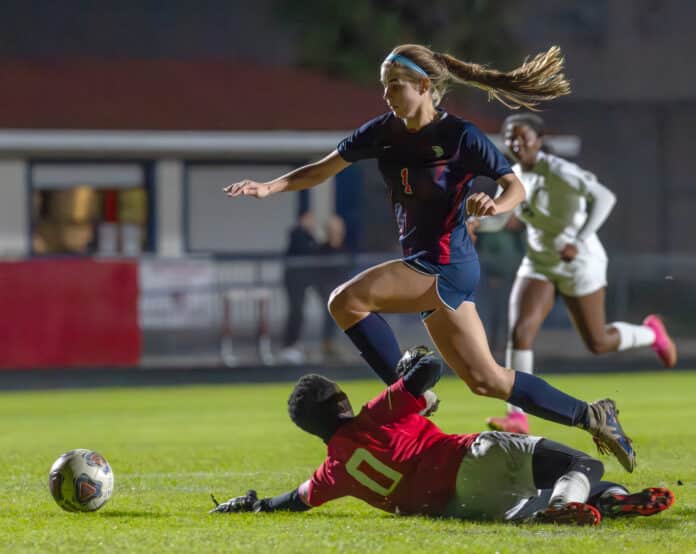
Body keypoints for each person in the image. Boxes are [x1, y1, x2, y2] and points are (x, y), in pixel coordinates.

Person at [223, 44, 637, 472]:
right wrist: (268, 188)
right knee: (487, 380)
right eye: (384, 86)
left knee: (345, 301)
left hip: (445, 265)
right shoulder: (382, 131)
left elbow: (515, 187)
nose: (387, 94)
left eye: (395, 85)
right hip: (428, 269)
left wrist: (495, 204)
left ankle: (412, 393)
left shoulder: (460, 135)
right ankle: (592, 415)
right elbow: (324, 167)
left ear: (424, 86)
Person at [210, 348, 674, 525]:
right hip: (473, 458)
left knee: (578, 489)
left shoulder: (332, 473)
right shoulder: (374, 415)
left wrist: (253, 503)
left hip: (466, 506)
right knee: (582, 466)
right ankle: (565, 505)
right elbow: (431, 367)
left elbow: (293, 499)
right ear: (341, 403)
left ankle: (613, 501)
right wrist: (408, 365)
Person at [468, 113, 678, 435]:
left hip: (580, 261)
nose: (515, 142)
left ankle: (652, 333)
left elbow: (606, 198)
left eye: (523, 136)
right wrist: (477, 223)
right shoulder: (516, 176)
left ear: (539, 139)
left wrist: (578, 239)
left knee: (598, 342)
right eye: (510, 136)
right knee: (520, 332)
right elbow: (501, 217)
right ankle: (517, 417)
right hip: (539, 261)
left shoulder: (560, 171)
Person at [278, 210, 319, 364]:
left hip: (302, 281)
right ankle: (288, 345)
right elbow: (307, 250)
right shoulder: (296, 234)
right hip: (294, 281)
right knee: (295, 311)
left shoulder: (308, 235)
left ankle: (294, 343)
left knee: (299, 311)